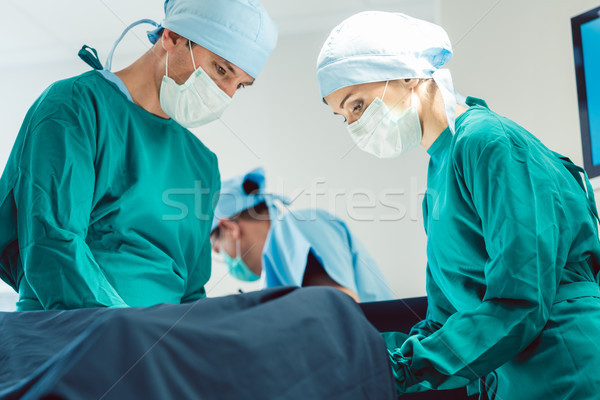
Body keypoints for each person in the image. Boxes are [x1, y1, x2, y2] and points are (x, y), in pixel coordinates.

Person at [316, 11, 600, 399]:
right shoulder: (438, 181)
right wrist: (358, 358)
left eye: (358, 106)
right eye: (343, 117)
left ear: (406, 73)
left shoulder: (487, 143)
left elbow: (520, 300)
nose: (354, 126)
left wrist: (397, 368)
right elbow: (444, 322)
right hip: (513, 377)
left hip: (566, 367)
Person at [0, 0, 278, 311]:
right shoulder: (75, 108)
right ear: (171, 37)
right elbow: (52, 245)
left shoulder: (202, 164)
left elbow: (190, 293)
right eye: (220, 69)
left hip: (159, 347)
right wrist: (129, 333)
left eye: (240, 85)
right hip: (70, 340)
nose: (225, 93)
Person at [209, 167, 395, 302]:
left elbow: (340, 312)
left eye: (218, 250)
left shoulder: (291, 228)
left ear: (229, 228)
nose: (226, 261)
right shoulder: (273, 274)